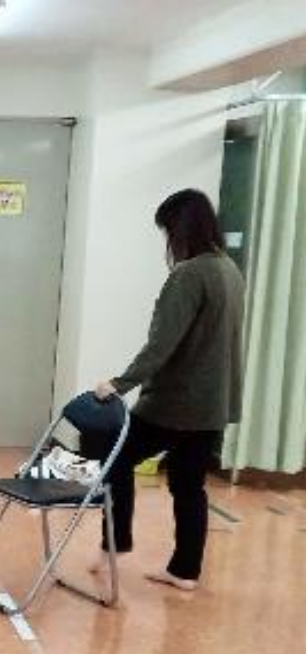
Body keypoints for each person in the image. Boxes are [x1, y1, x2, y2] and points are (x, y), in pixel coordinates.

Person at [92, 188, 245, 592]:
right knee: (189, 486)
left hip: (176, 403)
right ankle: (185, 571)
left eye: (167, 232)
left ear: (180, 229)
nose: (167, 242)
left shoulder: (189, 275)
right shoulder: (229, 270)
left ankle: (115, 544)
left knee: (114, 459)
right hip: (212, 404)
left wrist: (119, 384)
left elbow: (162, 344)